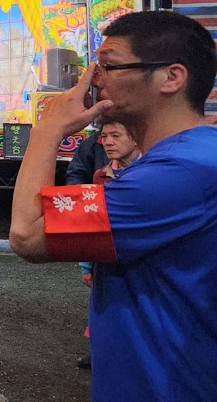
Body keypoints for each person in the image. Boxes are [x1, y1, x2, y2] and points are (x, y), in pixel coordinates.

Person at [9, 10, 217, 401]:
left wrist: (47, 129)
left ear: (171, 78)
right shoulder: (187, 161)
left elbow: (28, 235)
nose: (93, 79)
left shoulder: (180, 173)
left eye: (108, 66)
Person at [73, 121, 141, 370]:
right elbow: (92, 223)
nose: (108, 142)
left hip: (139, 255)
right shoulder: (100, 176)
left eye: (116, 135)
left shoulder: (150, 173)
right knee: (102, 305)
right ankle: (100, 352)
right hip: (105, 256)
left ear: (135, 139)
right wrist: (85, 265)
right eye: (104, 136)